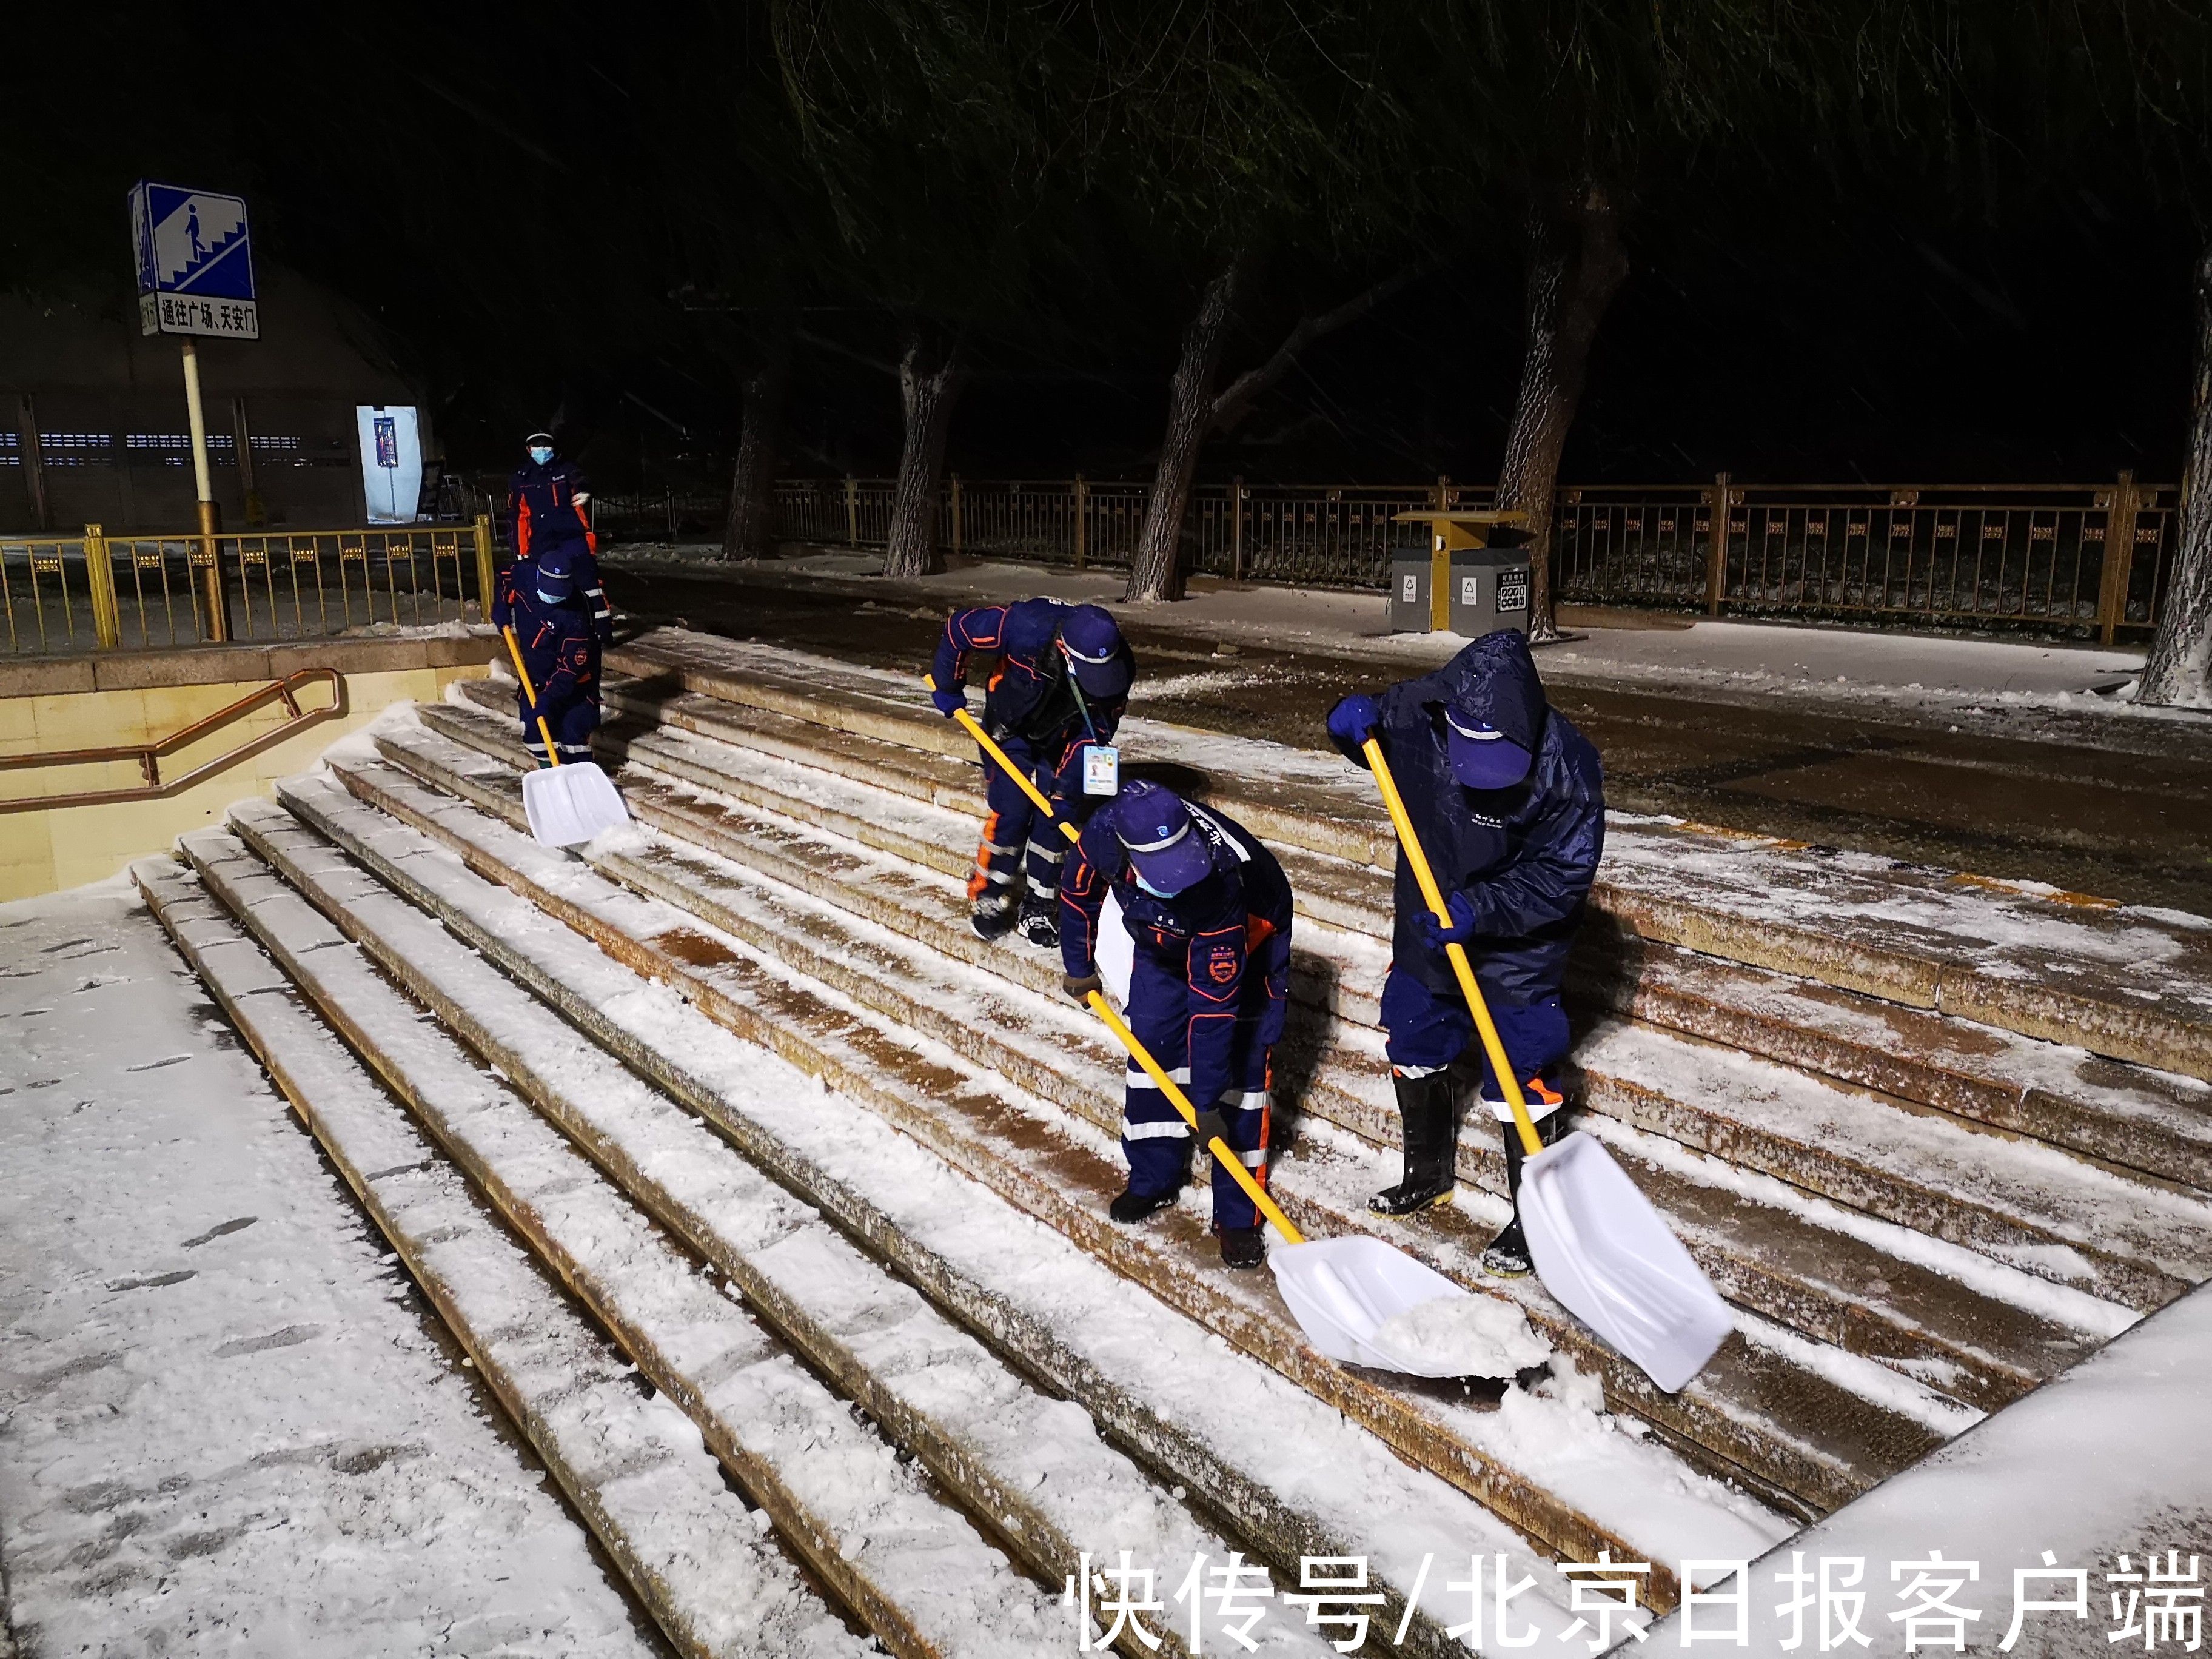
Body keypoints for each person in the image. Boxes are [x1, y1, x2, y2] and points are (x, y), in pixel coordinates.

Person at [1324, 629, 1604, 1276]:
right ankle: (1425, 1174)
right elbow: (1371, 748)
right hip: (1429, 917)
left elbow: (1559, 878)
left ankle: (1535, 1217)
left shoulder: (1569, 767)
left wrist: (1483, 910)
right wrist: (1345, 729)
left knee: (1520, 1066)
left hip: (1516, 947)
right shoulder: (1416, 713)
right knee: (1415, 1037)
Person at [1059, 780, 1293, 1271]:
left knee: (1241, 1075)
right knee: (1152, 1046)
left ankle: (1238, 1218)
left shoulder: (1221, 885)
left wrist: (1206, 1105)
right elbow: (1077, 891)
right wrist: (1078, 965)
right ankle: (1154, 1178)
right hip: (1160, 934)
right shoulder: (1106, 833)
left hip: (1249, 932)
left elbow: (1212, 1013)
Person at [930, 598, 1135, 944]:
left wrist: (1066, 791)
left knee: (1057, 817)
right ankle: (990, 894)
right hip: (1010, 727)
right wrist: (949, 686)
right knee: (1012, 809)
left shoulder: (1120, 668)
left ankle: (1039, 905)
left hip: (1066, 733)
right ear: (1063, 649)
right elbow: (958, 630)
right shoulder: (1024, 626)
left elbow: (1096, 733)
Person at [492, 544, 612, 766]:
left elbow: (570, 669)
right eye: (549, 592)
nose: (552, 598)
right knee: (536, 735)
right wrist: (501, 606)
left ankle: (580, 778)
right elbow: (505, 577)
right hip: (534, 674)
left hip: (574, 685)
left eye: (558, 594)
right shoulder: (524, 575)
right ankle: (549, 773)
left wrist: (548, 698)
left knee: (573, 736)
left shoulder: (577, 618)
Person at [506, 431, 612, 640]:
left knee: (589, 584)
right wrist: (520, 550)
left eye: (547, 448)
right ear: (529, 450)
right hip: (542, 542)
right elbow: (519, 516)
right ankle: (555, 630)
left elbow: (579, 479)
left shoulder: (565, 470)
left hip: (572, 537)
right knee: (547, 588)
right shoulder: (522, 479)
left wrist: (582, 490)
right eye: (538, 448)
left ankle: (603, 631)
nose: (543, 452)